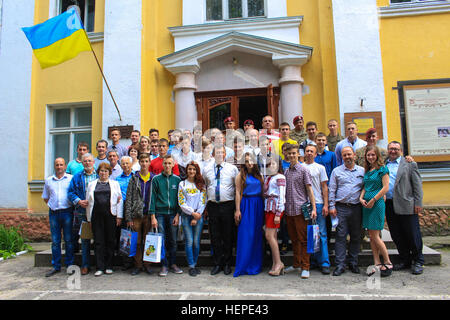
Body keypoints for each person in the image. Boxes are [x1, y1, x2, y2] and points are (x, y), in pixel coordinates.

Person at [385, 141, 424, 275]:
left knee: (412, 233)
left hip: (406, 204)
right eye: (391, 149)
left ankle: (418, 260)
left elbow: (417, 185)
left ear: (401, 150)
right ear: (387, 150)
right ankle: (405, 259)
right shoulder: (384, 163)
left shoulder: (409, 164)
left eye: (396, 149)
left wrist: (418, 203)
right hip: (389, 204)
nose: (393, 151)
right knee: (396, 234)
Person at [203, 145, 239, 275]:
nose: (219, 154)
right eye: (217, 152)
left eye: (221, 152)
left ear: (225, 155)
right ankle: (217, 263)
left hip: (227, 205)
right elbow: (206, 186)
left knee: (228, 235)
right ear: (212, 154)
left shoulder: (232, 169)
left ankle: (227, 263)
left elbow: (237, 188)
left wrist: (236, 208)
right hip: (213, 205)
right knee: (215, 235)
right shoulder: (206, 169)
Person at [328, 146, 365, 276]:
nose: (347, 157)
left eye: (349, 154)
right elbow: (332, 189)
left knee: (356, 236)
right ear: (342, 157)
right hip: (341, 208)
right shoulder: (336, 171)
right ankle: (340, 264)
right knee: (340, 236)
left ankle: (353, 262)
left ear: (354, 155)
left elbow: (366, 187)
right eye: (344, 155)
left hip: (356, 208)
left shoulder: (362, 171)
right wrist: (331, 206)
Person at [283, 143, 317, 279]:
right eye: (289, 154)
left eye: (294, 153)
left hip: (300, 210)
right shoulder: (286, 171)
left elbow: (309, 189)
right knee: (294, 239)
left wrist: (314, 208)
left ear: (298, 154)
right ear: (286, 155)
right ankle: (296, 264)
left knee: (303, 240)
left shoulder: (303, 170)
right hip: (289, 211)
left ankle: (305, 266)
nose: (291, 156)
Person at [359, 145, 393, 277]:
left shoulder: (382, 169)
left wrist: (373, 199)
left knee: (375, 236)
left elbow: (385, 188)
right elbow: (365, 187)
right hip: (366, 205)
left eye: (373, 155)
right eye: (368, 155)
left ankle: (388, 261)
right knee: (372, 237)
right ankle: (377, 262)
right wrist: (361, 198)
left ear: (377, 155)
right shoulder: (368, 170)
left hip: (376, 204)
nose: (371, 157)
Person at [86, 162, 123, 276]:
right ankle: (99, 267)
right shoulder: (91, 185)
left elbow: (119, 200)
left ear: (109, 173)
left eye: (106, 171)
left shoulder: (115, 184)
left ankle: (109, 266)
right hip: (96, 216)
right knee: (98, 241)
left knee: (110, 241)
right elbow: (88, 202)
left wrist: (119, 216)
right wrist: (89, 219)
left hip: (111, 215)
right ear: (98, 172)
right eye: (101, 171)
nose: (104, 173)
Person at [149, 155, 183, 277]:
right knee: (161, 240)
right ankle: (164, 265)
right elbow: (152, 198)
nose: (167, 166)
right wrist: (152, 216)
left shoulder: (178, 180)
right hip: (160, 214)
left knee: (173, 240)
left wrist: (178, 214)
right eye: (165, 163)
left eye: (170, 163)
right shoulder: (156, 179)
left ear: (173, 164)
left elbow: (180, 200)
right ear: (162, 165)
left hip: (173, 214)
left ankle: (173, 264)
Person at [233, 153, 265, 277]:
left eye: (251, 160)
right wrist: (237, 210)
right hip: (246, 205)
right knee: (245, 235)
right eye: (247, 161)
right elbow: (237, 192)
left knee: (257, 236)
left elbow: (263, 192)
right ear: (244, 163)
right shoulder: (240, 175)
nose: (249, 163)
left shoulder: (260, 175)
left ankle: (255, 265)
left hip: (258, 205)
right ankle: (243, 265)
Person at [42, 157, 74, 277]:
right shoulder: (49, 180)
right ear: (54, 166)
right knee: (55, 241)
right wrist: (53, 204)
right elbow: (46, 197)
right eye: (57, 165)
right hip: (54, 213)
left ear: (65, 166)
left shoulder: (70, 179)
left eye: (61, 165)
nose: (59, 167)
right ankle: (56, 266)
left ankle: (69, 265)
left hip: (67, 212)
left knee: (69, 240)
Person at [68, 153, 98, 275]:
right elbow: (70, 193)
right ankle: (85, 265)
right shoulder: (77, 177)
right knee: (85, 240)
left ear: (93, 162)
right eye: (85, 161)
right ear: (82, 163)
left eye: (89, 161)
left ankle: (99, 265)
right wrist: (79, 201)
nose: (87, 163)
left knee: (99, 239)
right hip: (83, 213)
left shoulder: (99, 175)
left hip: (97, 212)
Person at [124, 153, 154, 276]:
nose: (144, 164)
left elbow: (155, 197)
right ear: (139, 163)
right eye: (142, 161)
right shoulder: (134, 178)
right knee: (136, 241)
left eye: (146, 161)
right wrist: (128, 217)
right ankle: (138, 265)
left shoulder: (154, 178)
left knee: (148, 241)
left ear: (149, 163)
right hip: (136, 215)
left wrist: (154, 215)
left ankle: (147, 264)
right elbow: (129, 198)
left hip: (148, 214)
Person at [303, 145, 331, 275]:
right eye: (307, 151)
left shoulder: (320, 168)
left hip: (318, 203)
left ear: (315, 154)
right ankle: (312, 260)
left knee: (321, 234)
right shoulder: (300, 167)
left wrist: (326, 204)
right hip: (304, 204)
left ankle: (324, 262)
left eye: (311, 151)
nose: (309, 153)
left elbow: (324, 187)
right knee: (309, 233)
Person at [178, 161, 207, 276]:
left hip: (199, 216)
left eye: (194, 169)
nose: (191, 171)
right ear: (186, 170)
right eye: (190, 169)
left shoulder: (201, 184)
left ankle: (195, 263)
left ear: (197, 171)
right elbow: (181, 202)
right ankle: (191, 266)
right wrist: (191, 213)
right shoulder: (182, 184)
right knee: (189, 241)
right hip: (186, 216)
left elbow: (203, 200)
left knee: (196, 242)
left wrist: (197, 214)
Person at [263, 157, 286, 276]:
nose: (271, 166)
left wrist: (278, 213)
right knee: (273, 236)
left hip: (275, 208)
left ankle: (279, 263)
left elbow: (282, 196)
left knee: (269, 235)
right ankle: (275, 263)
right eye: (269, 164)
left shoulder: (280, 177)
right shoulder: (268, 177)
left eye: (273, 163)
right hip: (268, 208)